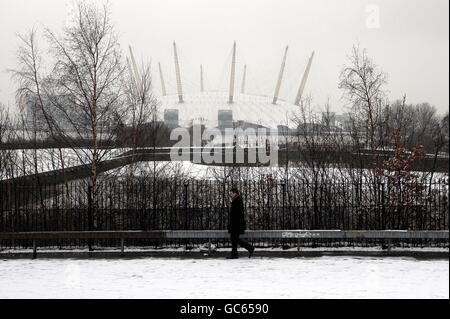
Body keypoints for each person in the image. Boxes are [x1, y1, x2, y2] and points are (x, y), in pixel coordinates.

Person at [227, 188, 255, 259]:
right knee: (234, 239)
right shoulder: (236, 200)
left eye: (231, 193)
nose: (230, 195)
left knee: (234, 239)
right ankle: (236, 254)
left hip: (236, 224)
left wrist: (233, 224)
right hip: (236, 224)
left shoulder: (237, 200)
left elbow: (237, 214)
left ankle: (249, 248)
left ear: (235, 193)